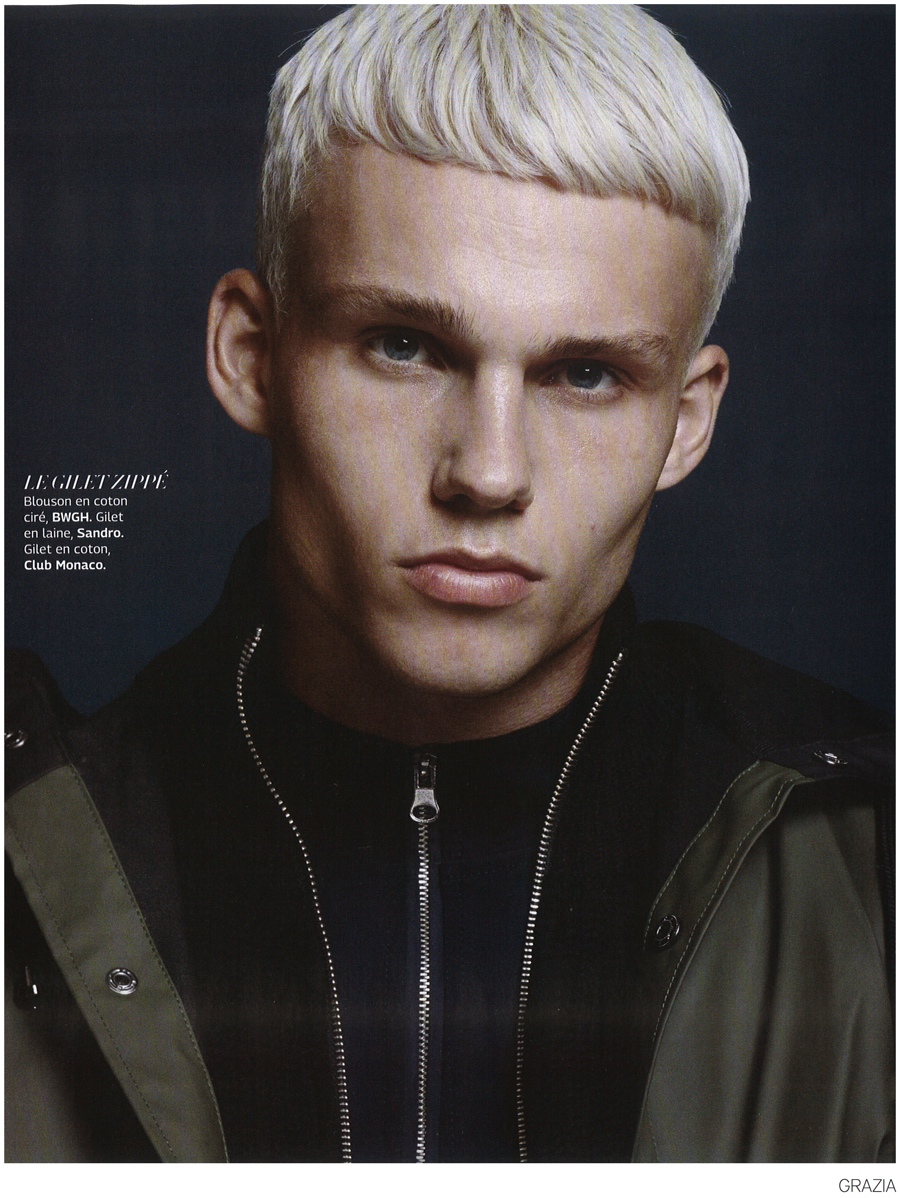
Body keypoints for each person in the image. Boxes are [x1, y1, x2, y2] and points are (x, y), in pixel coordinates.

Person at [5, 4, 892, 1164]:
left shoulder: (867, 862)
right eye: (404, 345)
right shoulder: (33, 842)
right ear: (250, 356)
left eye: (586, 373)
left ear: (686, 423)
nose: (489, 472)